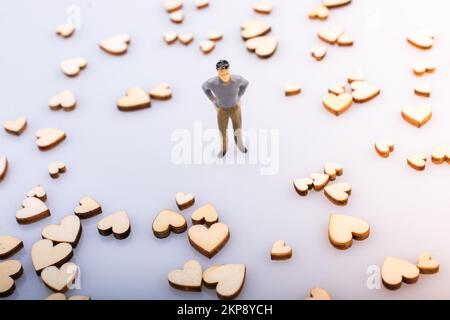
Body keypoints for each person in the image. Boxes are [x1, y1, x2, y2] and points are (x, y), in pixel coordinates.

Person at [202, 60, 249, 157]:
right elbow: (204, 87)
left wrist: (239, 96)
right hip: (221, 110)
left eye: (227, 72)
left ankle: (239, 144)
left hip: (235, 108)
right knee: (222, 130)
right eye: (221, 73)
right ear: (218, 72)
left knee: (238, 128)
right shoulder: (212, 83)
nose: (224, 75)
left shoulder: (237, 79)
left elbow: (246, 83)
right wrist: (213, 99)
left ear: (229, 70)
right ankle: (224, 148)